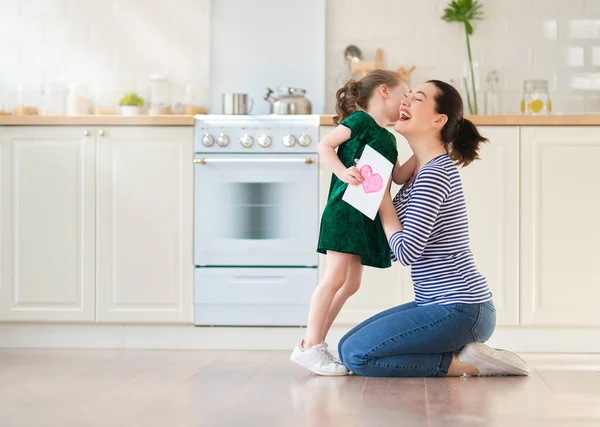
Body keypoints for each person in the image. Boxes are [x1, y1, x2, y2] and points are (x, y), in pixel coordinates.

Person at [337, 80, 530, 377]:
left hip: (461, 308)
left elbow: (406, 252)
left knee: (356, 355)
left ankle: (470, 364)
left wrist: (382, 197)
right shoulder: (420, 171)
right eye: (408, 96)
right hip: (437, 303)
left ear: (438, 120)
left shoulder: (435, 174)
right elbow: (392, 244)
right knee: (346, 346)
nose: (406, 101)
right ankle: (462, 350)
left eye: (417, 98)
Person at [291, 70, 417, 376]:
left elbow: (398, 177)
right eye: (405, 95)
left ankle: (315, 342)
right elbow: (325, 145)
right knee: (334, 278)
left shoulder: (389, 138)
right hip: (345, 213)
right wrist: (342, 171)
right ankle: (310, 346)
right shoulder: (360, 122)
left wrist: (425, 150)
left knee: (351, 283)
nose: (407, 103)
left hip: (364, 217)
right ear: (384, 91)